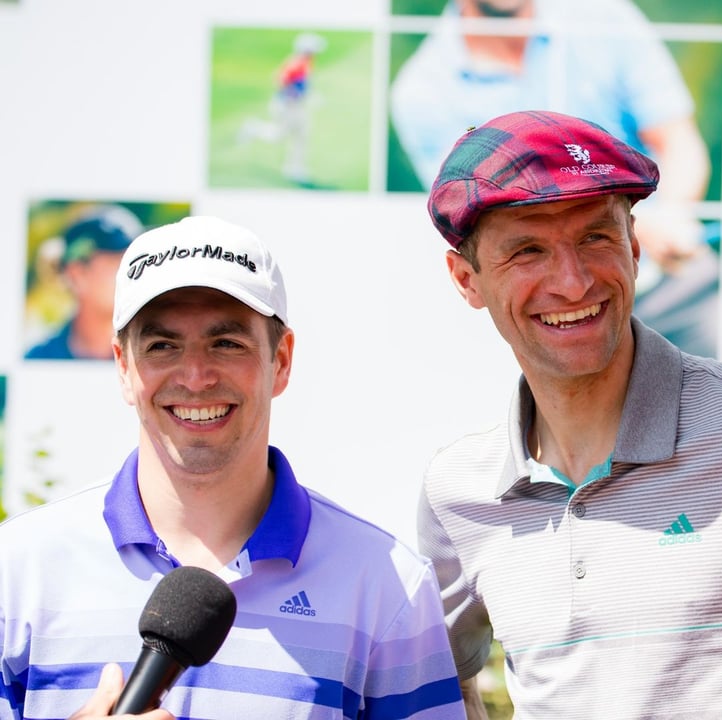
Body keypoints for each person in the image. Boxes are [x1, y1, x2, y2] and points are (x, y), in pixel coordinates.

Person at [420, 109, 722, 719]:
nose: (571, 283)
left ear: (635, 247)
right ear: (467, 279)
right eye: (527, 251)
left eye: (595, 237)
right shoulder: (456, 493)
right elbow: (440, 686)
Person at [0, 216, 465, 719]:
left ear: (281, 361)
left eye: (227, 344)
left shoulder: (387, 586)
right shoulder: (17, 571)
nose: (196, 377)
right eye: (162, 346)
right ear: (123, 368)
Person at [389, 0, 719, 357]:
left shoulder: (604, 15)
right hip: (546, 308)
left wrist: (671, 214)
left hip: (673, 283)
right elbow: (485, 227)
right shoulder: (422, 91)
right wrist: (636, 229)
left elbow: (679, 142)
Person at [25, 205, 143, 360]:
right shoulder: (37, 359)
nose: (134, 275)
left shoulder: (148, 354)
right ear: (77, 274)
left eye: (135, 264)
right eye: (117, 264)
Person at [238, 32, 327, 185]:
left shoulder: (306, 62)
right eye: (313, 51)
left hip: (295, 106)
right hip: (287, 106)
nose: (315, 54)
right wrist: (295, 95)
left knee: (302, 135)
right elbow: (280, 79)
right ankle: (253, 128)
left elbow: (302, 85)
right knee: (278, 136)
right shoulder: (297, 63)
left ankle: (295, 169)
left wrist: (309, 95)